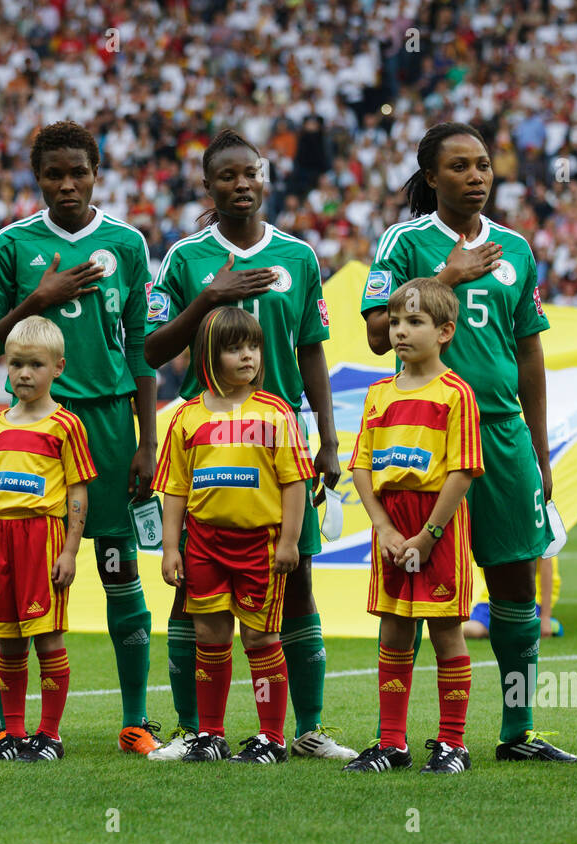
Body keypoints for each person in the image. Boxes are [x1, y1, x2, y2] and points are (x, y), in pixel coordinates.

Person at [362, 121, 577, 763]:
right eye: (459, 166)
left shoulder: (516, 247)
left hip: (502, 433)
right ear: (431, 178)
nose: (476, 176)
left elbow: (529, 352)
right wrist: (444, 277)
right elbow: (379, 333)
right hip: (424, 438)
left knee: (514, 584)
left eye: (483, 165)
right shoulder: (404, 242)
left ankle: (518, 731)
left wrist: (538, 451)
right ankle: (405, 737)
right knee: (419, 595)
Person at [143, 129, 354, 761]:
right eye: (227, 176)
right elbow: (153, 351)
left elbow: (311, 349)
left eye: (250, 174)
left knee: (298, 584)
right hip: (207, 436)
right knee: (192, 596)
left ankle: (306, 728)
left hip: (281, 433)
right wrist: (209, 298)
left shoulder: (298, 256)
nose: (241, 185)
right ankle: (195, 730)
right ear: (208, 187)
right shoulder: (184, 259)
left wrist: (328, 436)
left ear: (266, 179)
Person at [0, 121, 160, 756]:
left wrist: (147, 439)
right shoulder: (11, 244)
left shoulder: (126, 244)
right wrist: (35, 298)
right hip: (30, 427)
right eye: (54, 173)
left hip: (107, 427)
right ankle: (10, 724)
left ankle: (135, 718)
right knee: (17, 578)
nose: (67, 184)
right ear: (37, 177)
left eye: (78, 171)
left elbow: (140, 348)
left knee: (117, 569)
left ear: (96, 171)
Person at [153, 307, 314, 763]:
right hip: (203, 545)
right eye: (234, 347)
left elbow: (294, 482)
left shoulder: (277, 412)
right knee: (210, 638)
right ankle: (210, 734)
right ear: (208, 354)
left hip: (259, 546)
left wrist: (289, 542)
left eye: (253, 346)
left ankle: (270, 737)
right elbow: (176, 491)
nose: (247, 356)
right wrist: (170, 548)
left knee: (260, 639)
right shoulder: (187, 417)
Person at [345, 277, 484, 774]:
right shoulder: (379, 392)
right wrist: (382, 527)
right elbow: (361, 465)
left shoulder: (456, 394)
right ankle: (391, 743)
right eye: (396, 321)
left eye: (414, 322)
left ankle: (452, 744)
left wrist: (429, 536)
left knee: (447, 631)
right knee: (394, 630)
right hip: (393, 523)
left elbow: (462, 469)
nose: (399, 331)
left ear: (445, 331)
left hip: (435, 524)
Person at [0, 318, 94, 761]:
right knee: (7, 639)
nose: (24, 373)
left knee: (47, 636)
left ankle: (50, 735)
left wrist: (70, 550)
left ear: (58, 368)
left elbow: (78, 489)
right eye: (16, 363)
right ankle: (15, 734)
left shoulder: (66, 425)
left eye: (35, 365)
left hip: (41, 538)